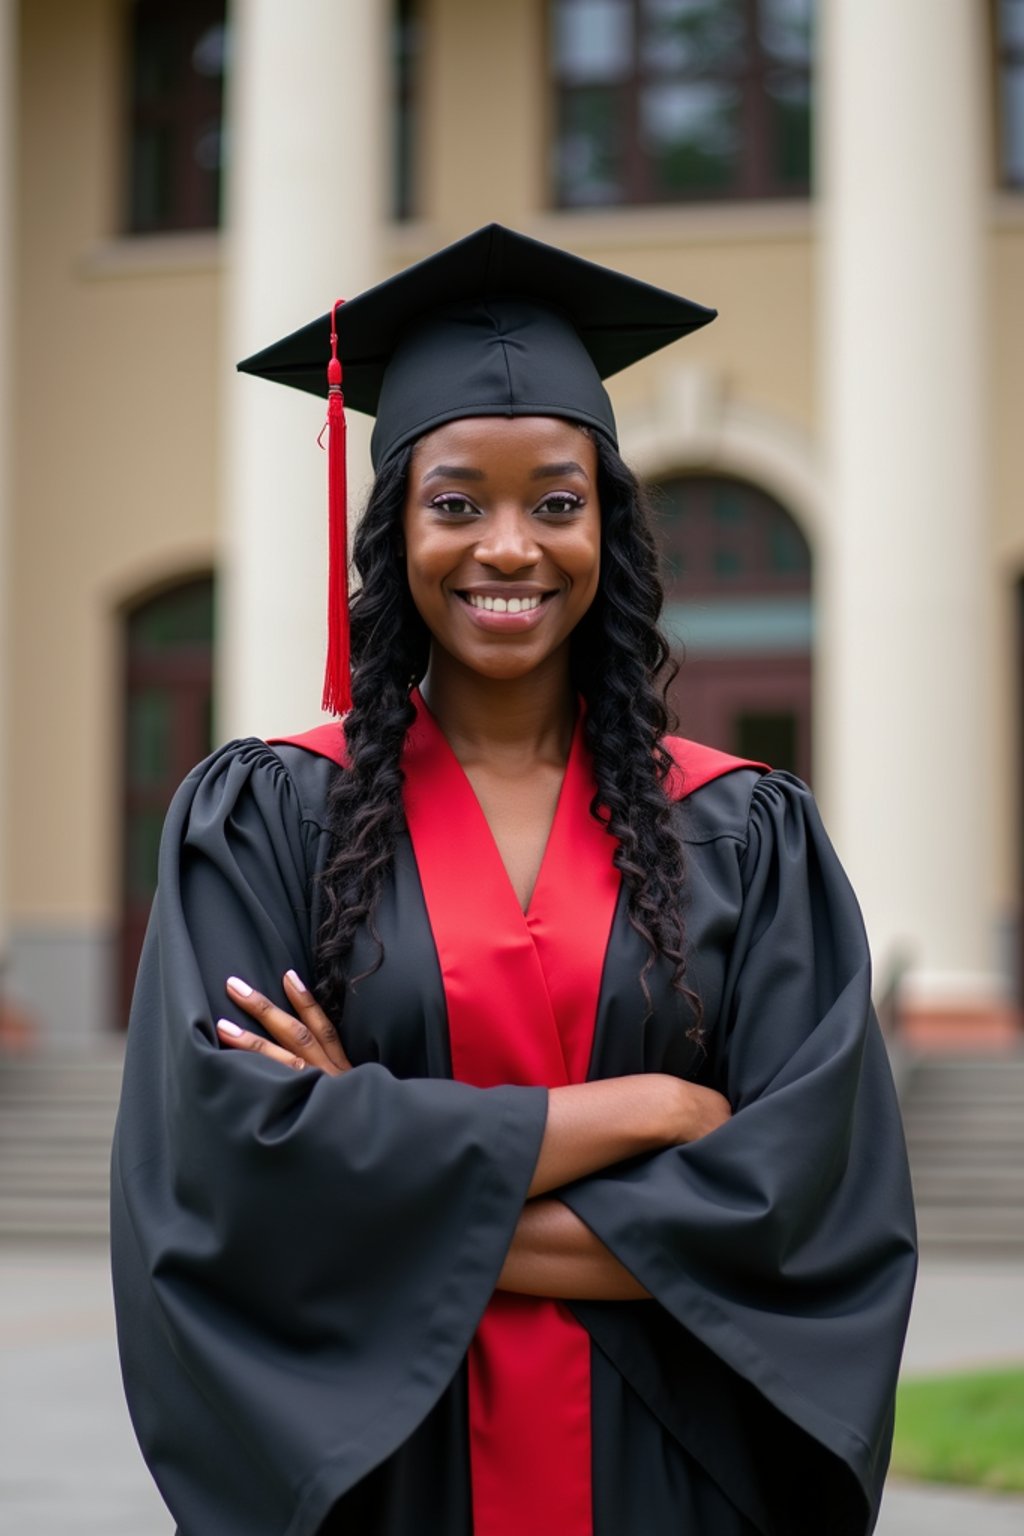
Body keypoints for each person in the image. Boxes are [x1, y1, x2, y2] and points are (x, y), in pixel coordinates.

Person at [111, 224, 917, 1536]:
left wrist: (371, 1163)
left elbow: (802, 1211)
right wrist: (644, 1112)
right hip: (390, 1475)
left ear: (609, 524)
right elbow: (225, 1188)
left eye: (555, 500)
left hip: (669, 1477)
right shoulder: (266, 821)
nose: (507, 548)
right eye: (456, 502)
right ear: (394, 526)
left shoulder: (744, 834)